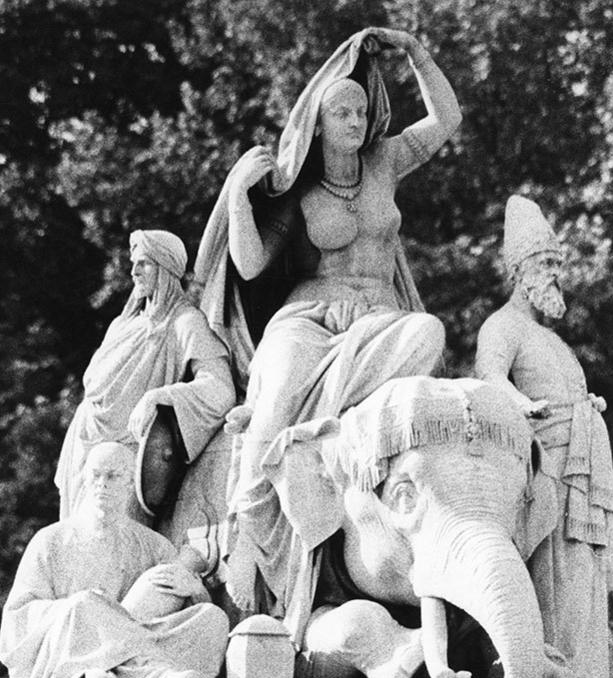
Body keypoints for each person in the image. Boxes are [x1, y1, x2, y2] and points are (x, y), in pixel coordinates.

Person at [195, 28, 460, 634]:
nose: (355, 119)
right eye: (341, 111)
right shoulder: (300, 191)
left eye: (361, 110)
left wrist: (415, 52)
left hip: (380, 318)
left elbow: (446, 118)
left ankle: (331, 437)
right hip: (311, 317)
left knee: (429, 333)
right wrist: (238, 193)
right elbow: (250, 263)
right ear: (318, 121)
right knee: (277, 396)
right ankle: (249, 527)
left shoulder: (384, 162)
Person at [475, 195, 613, 678]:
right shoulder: (503, 326)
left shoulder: (554, 339)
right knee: (555, 571)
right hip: (547, 462)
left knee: (584, 570)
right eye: (546, 264)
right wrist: (525, 404)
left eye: (558, 264)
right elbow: (488, 378)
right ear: (519, 272)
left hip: (582, 461)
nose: (556, 274)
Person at [0, 441, 230, 678]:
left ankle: (107, 674)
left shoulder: (154, 545)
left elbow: (175, 607)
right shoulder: (50, 540)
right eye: (95, 475)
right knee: (86, 604)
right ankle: (156, 676)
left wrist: (195, 590)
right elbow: (18, 617)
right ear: (85, 480)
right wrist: (81, 611)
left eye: (113, 476)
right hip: (73, 644)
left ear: (130, 484)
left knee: (213, 619)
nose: (102, 483)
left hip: (144, 632)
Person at [55, 229, 236, 520]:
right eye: (134, 263)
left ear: (166, 269)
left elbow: (220, 387)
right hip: (83, 445)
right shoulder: (122, 324)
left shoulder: (185, 323)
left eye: (144, 263)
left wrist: (161, 397)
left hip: (126, 456)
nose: (134, 271)